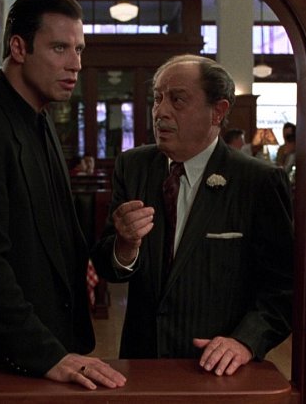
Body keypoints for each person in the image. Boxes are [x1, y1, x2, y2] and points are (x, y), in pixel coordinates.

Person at [0, 0, 126, 390]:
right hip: (8, 358)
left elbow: (59, 238)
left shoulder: (39, 118)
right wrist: (47, 355)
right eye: (59, 48)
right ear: (18, 48)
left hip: (53, 346)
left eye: (79, 49)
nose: (75, 64)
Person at [90, 54, 294, 377]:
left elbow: (284, 288)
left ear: (218, 111)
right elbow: (106, 265)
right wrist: (125, 246)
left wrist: (245, 341)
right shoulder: (133, 167)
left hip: (218, 370)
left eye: (177, 100)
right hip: (142, 364)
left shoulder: (258, 181)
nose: (160, 111)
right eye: (157, 98)